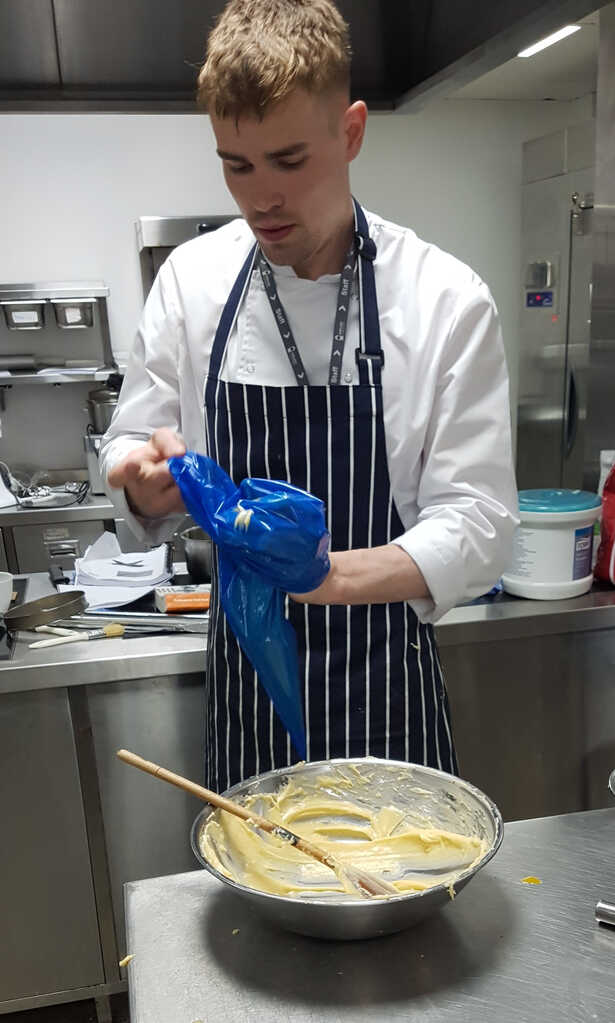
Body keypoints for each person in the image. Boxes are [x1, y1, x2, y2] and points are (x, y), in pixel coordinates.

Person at [101, 0, 518, 793]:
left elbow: (480, 521)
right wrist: (142, 479)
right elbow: (131, 441)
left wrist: (324, 576)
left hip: (387, 703)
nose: (260, 199)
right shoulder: (193, 284)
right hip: (247, 701)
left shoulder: (442, 297)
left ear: (351, 131)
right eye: (236, 164)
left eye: (288, 161)